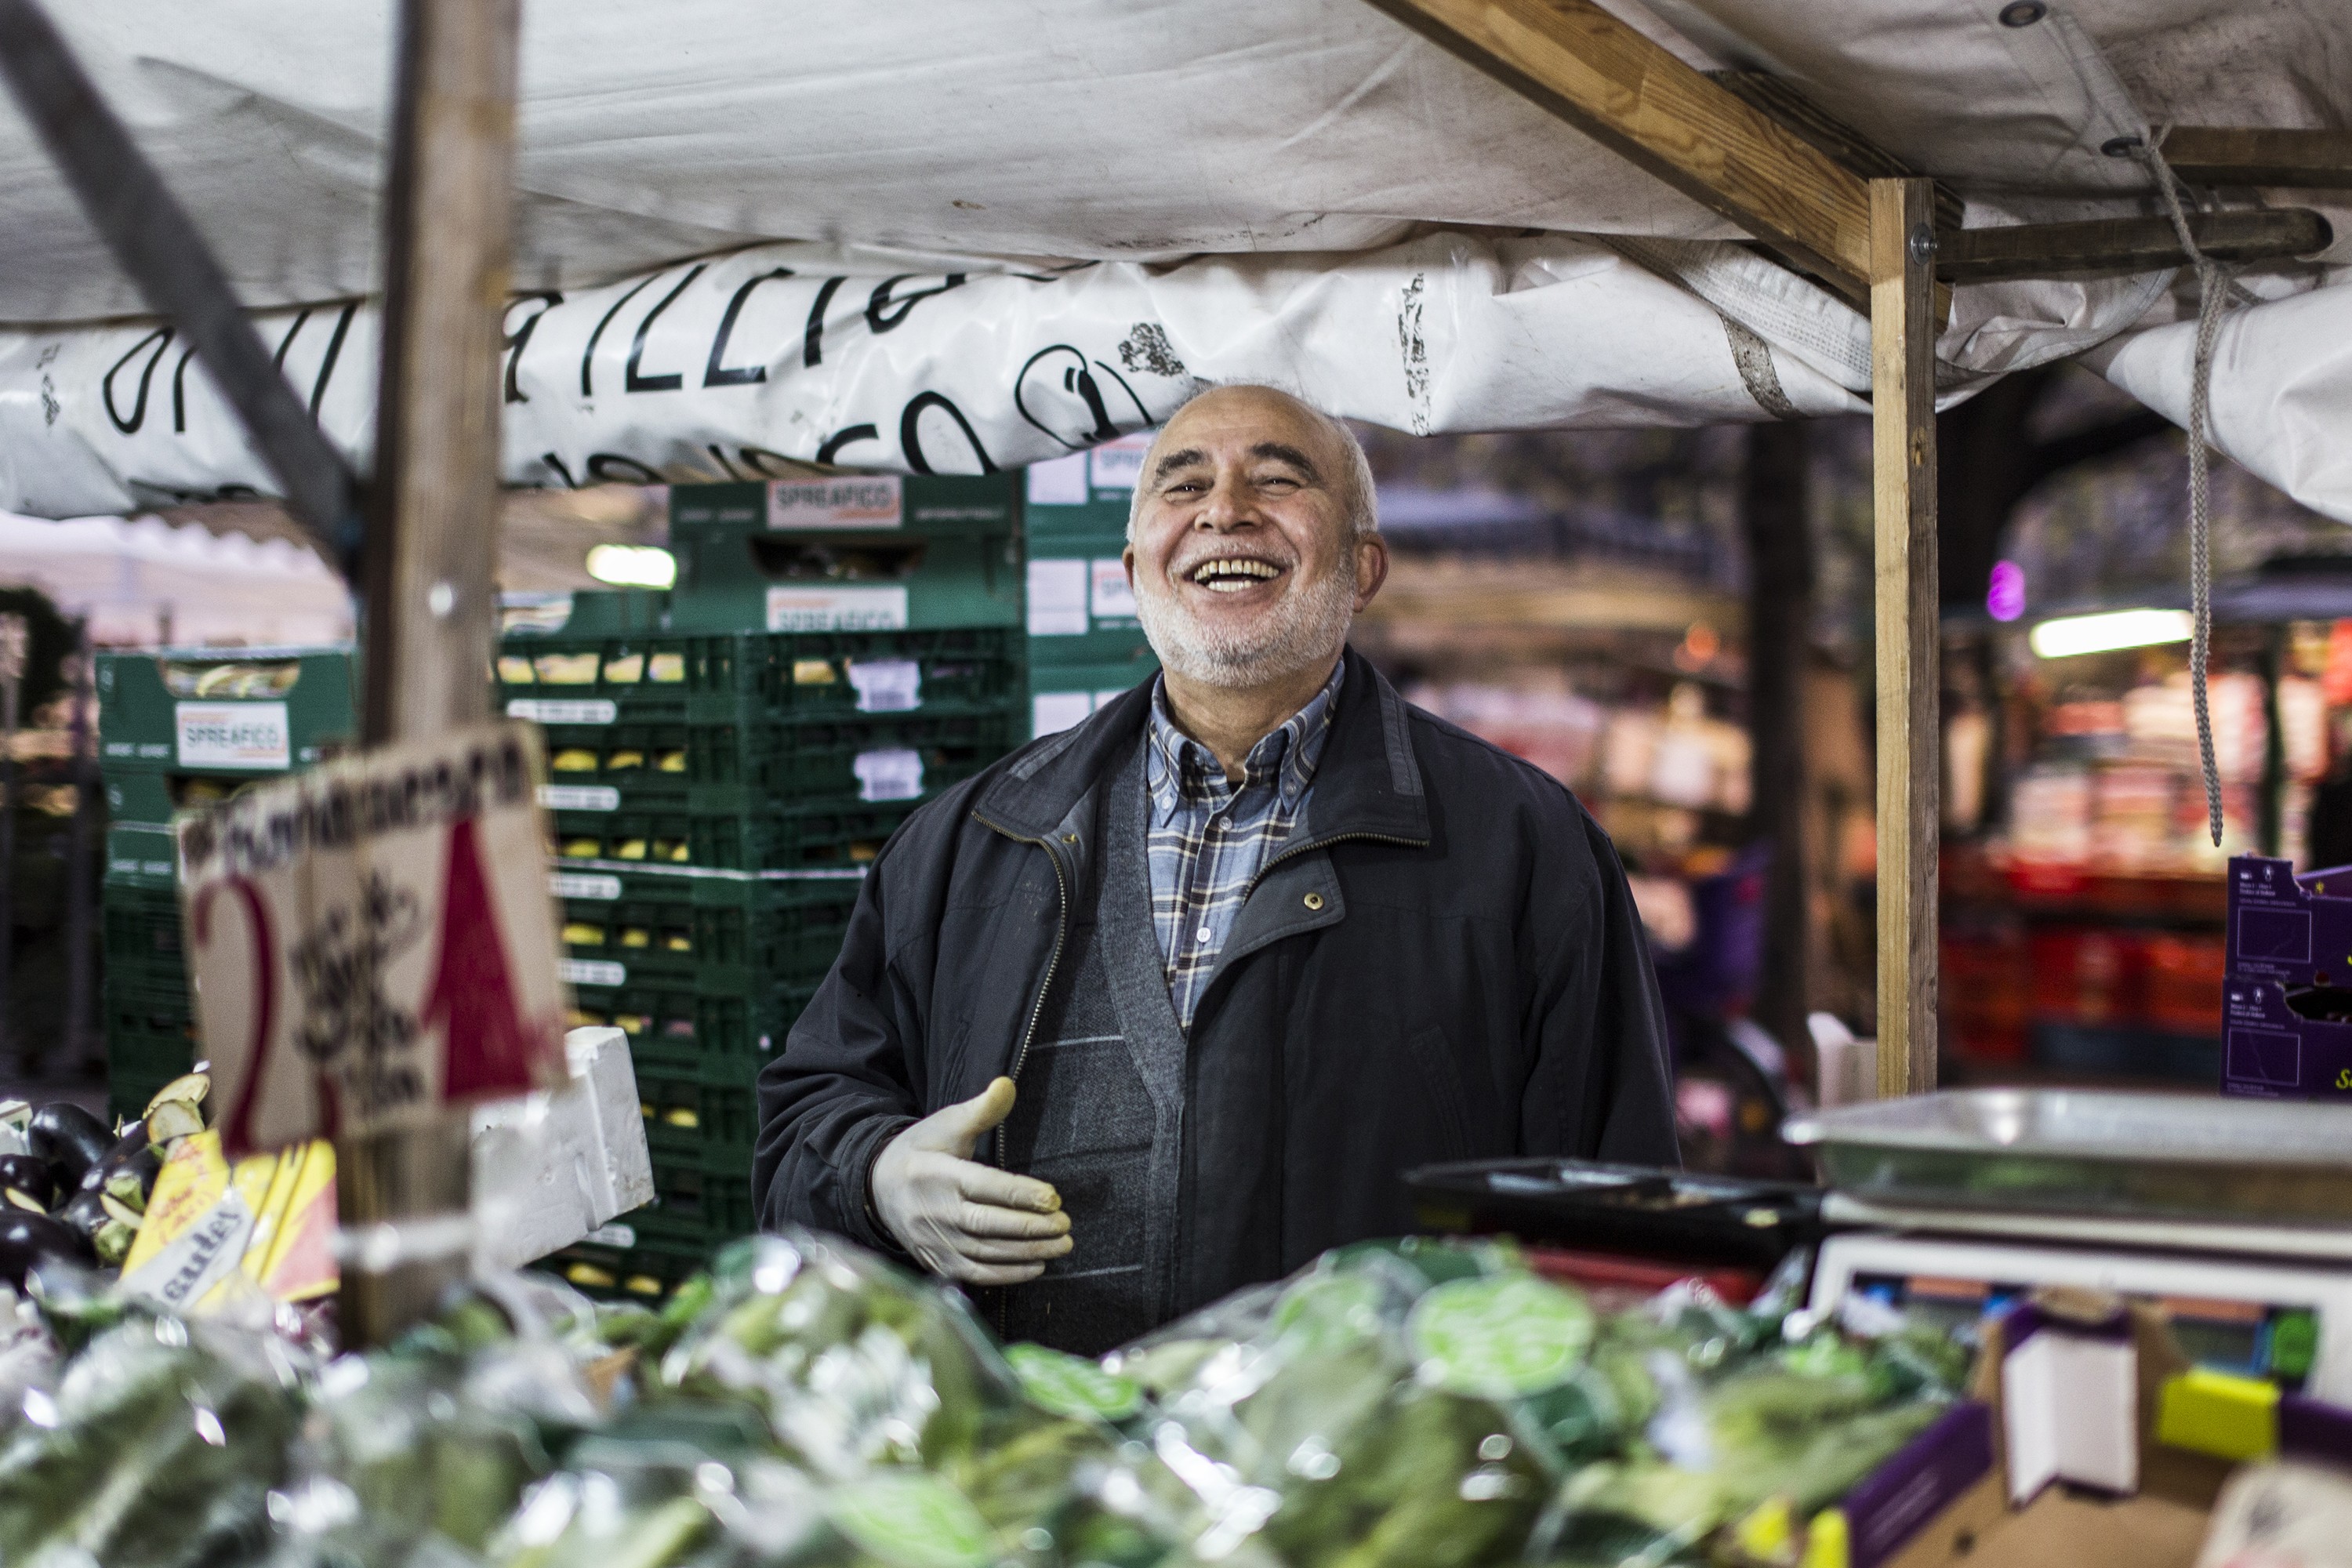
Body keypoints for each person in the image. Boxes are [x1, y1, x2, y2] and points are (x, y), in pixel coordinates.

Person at [755, 383, 1677, 1353]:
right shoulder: (971, 840)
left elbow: (1611, 1219)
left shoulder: (1523, 848)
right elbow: (800, 1128)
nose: (1224, 509)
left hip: (1353, 1469)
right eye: (1182, 483)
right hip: (1038, 1464)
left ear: (1363, 566)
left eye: (1277, 480)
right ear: (1132, 567)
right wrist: (877, 1175)